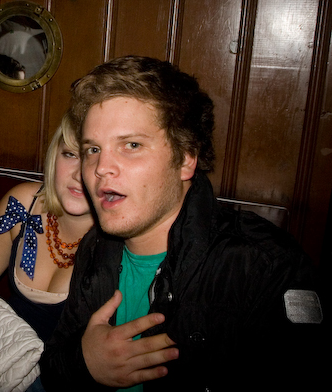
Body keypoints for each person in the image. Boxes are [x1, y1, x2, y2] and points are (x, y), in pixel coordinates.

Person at [40, 56, 324, 391]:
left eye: (131, 145)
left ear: (186, 157)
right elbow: (53, 369)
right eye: (92, 149)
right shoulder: (96, 246)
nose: (101, 167)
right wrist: (85, 363)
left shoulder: (266, 267)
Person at [0, 111, 95, 343]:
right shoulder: (22, 205)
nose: (78, 174)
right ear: (54, 155)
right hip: (3, 353)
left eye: (92, 157)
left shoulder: (119, 240)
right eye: (70, 154)